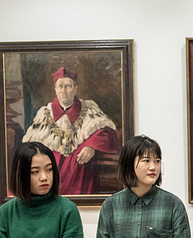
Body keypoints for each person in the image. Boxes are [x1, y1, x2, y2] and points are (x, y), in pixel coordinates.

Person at [21, 67, 120, 195]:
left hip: (79, 172)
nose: (64, 91)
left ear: (75, 89)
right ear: (55, 89)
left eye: (68, 86)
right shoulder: (45, 113)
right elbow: (31, 143)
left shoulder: (88, 109)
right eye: (60, 86)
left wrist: (91, 146)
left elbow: (105, 131)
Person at [96, 135, 191, 238]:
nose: (153, 167)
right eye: (146, 161)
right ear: (129, 163)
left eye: (157, 161)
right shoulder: (110, 205)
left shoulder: (173, 204)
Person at [0, 141, 84, 238]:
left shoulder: (68, 209)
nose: (44, 177)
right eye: (35, 172)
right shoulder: (6, 212)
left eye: (49, 169)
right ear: (20, 175)